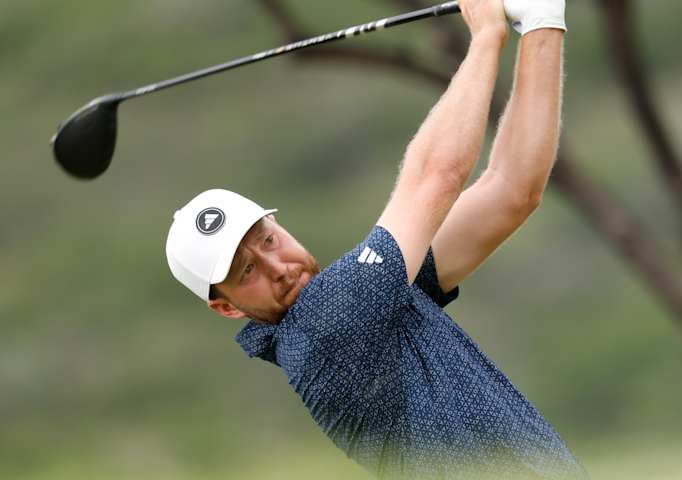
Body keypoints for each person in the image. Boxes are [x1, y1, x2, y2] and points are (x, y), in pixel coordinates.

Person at [165, 0, 587, 478]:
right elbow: (435, 176)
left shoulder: (374, 303)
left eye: (266, 240)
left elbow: (512, 191)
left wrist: (542, 23)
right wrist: (487, 34)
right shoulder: (322, 332)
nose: (277, 266)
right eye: (246, 271)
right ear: (227, 307)